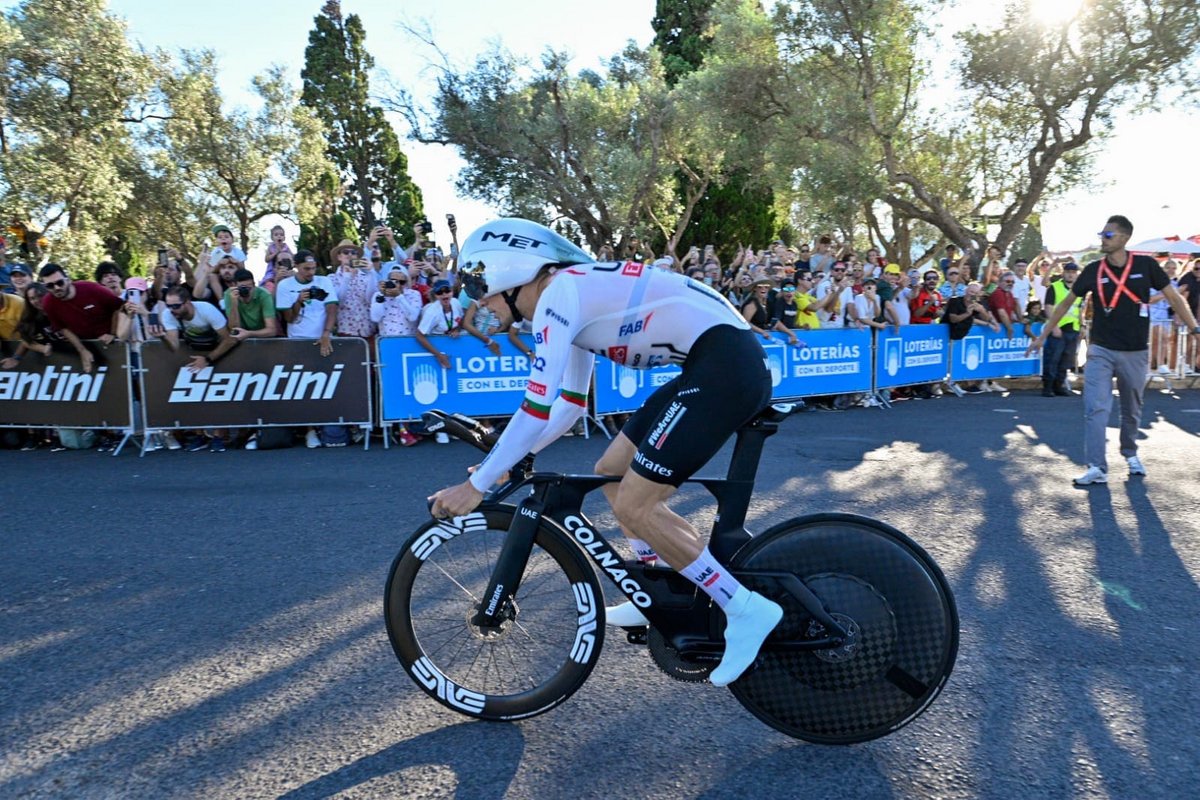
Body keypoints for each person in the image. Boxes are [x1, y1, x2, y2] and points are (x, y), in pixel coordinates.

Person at [428, 218, 782, 687]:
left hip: (724, 368)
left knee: (637, 503)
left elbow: (535, 408)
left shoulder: (559, 295)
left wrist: (478, 484)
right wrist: (503, 464)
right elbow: (569, 407)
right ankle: (657, 588)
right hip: (714, 364)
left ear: (508, 273)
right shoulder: (566, 298)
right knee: (611, 472)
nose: (478, 302)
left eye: (479, 285)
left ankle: (743, 607)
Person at [1028, 215, 1200, 485]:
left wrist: (1195, 329)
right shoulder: (1094, 270)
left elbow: (1174, 298)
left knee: (1132, 409)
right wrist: (1043, 334)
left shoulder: (1145, 266)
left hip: (1135, 351)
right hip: (1101, 350)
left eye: (1108, 235)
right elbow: (1065, 305)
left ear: (1124, 238)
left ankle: (1130, 453)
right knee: (1095, 407)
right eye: (1102, 234)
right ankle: (1096, 466)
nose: (1102, 239)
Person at [39, 263, 123, 373]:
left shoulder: (92, 289)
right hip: (85, 343)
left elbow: (119, 307)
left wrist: (113, 333)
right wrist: (82, 350)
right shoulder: (48, 303)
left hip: (111, 344)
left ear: (68, 280)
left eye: (60, 283)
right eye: (50, 286)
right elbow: (62, 328)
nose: (57, 288)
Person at [1040, 262, 1083, 397]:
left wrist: (1082, 326)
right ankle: (1048, 387)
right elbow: (1048, 307)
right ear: (1063, 273)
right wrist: (1054, 327)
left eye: (1073, 272)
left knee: (1066, 359)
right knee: (1052, 358)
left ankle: (1059, 386)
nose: (1071, 274)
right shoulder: (1054, 287)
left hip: (1073, 329)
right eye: (1068, 271)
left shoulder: (1078, 290)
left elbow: (1079, 309)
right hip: (1058, 329)